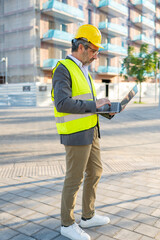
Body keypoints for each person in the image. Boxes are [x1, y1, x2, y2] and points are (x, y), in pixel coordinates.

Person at [51, 24, 115, 240]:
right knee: (74, 178)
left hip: (91, 130)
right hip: (76, 134)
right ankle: (67, 224)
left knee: (95, 172)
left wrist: (105, 109)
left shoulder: (83, 69)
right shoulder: (63, 68)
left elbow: (87, 102)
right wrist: (94, 105)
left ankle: (87, 216)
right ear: (82, 47)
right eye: (94, 50)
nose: (97, 56)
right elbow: (62, 103)